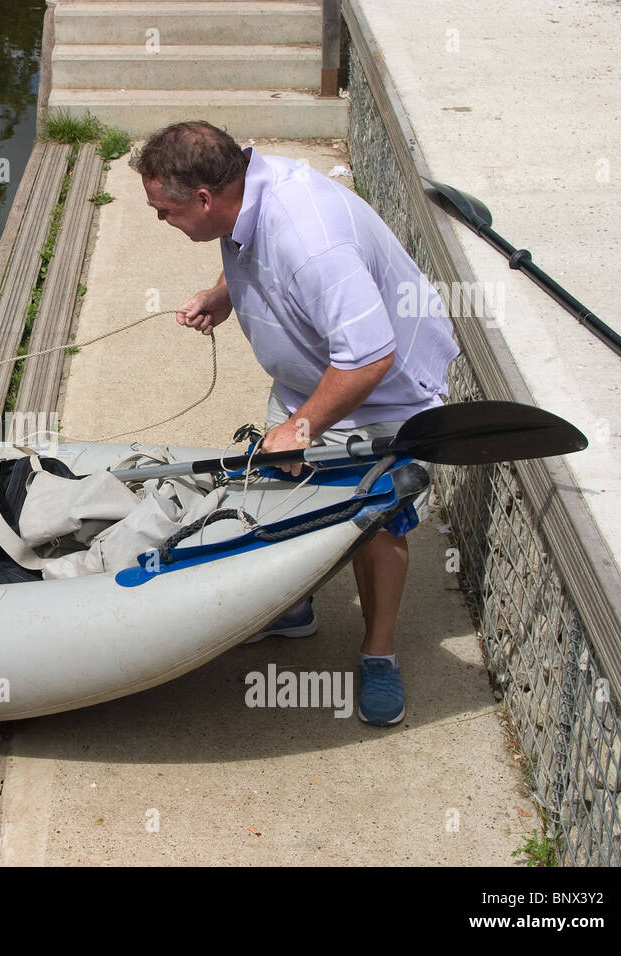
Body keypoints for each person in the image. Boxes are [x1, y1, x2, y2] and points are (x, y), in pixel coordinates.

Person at [131, 121, 459, 726]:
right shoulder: (241, 194)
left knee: (377, 526)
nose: (162, 221)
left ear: (204, 198)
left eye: (166, 211)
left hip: (382, 397)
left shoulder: (310, 236)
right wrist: (223, 294)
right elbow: (250, 249)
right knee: (282, 497)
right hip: (310, 382)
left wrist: (301, 429)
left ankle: (379, 653)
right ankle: (296, 609)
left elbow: (370, 356)